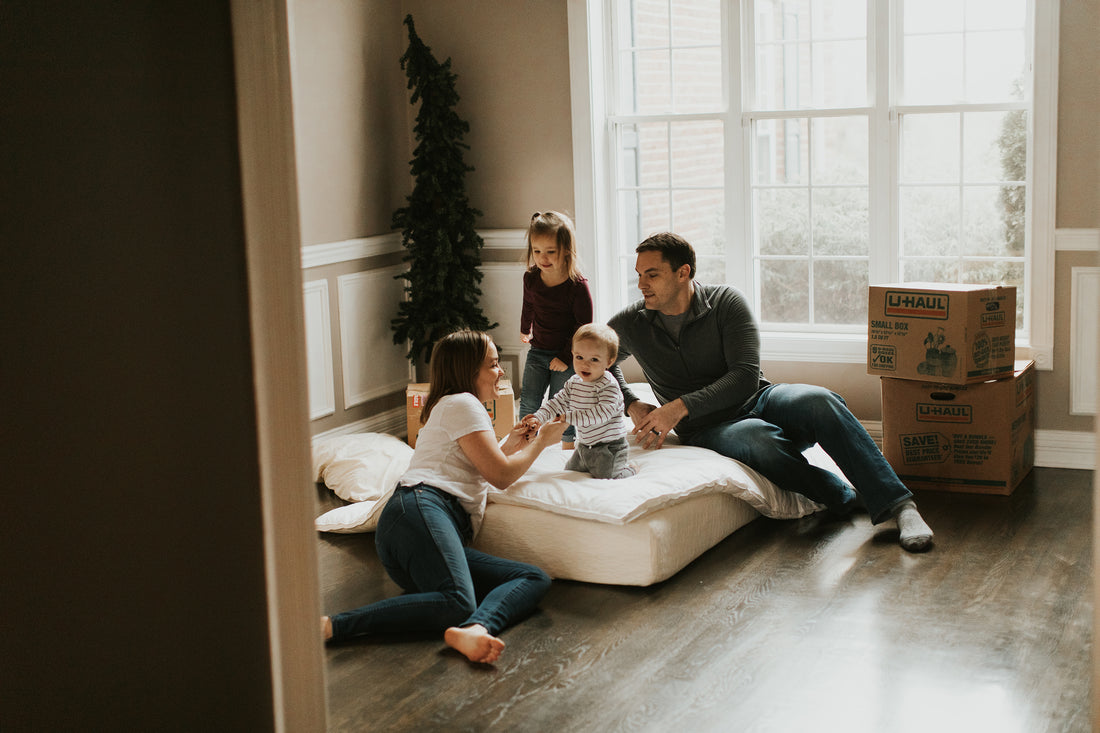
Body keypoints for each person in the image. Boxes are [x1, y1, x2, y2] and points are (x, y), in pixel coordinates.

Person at [607, 232, 934, 552]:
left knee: (821, 401)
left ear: (683, 273)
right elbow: (593, 361)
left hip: (758, 397)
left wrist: (676, 407)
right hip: (707, 427)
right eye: (638, 275)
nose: (641, 285)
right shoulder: (633, 322)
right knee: (758, 438)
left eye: (652, 274)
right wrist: (631, 402)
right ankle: (842, 494)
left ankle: (902, 507)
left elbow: (745, 376)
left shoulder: (725, 302)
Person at [321, 330, 569, 663]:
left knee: (531, 577)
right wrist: (542, 443)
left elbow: (480, 467)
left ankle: (475, 629)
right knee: (458, 601)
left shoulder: (456, 406)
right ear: (469, 370)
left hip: (415, 527)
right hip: (422, 509)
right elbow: (500, 476)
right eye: (493, 365)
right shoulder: (463, 403)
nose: (501, 373)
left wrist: (513, 443)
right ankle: (333, 625)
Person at [519, 211, 593, 449]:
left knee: (560, 403)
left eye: (550, 251)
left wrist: (564, 356)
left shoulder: (577, 287)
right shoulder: (531, 278)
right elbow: (528, 304)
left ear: (566, 251)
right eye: (537, 251)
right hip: (538, 350)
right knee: (529, 400)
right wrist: (524, 328)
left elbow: (583, 328)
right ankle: (524, 444)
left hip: (566, 354)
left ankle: (567, 446)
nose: (543, 258)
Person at [523, 324, 636, 480]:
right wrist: (538, 417)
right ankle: (586, 460)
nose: (585, 364)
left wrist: (568, 417)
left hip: (609, 447)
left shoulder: (608, 385)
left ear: (609, 362)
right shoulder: (574, 382)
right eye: (579, 357)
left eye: (594, 359)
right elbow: (557, 402)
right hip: (584, 446)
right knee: (569, 472)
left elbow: (601, 414)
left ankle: (629, 468)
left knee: (607, 475)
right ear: (572, 354)